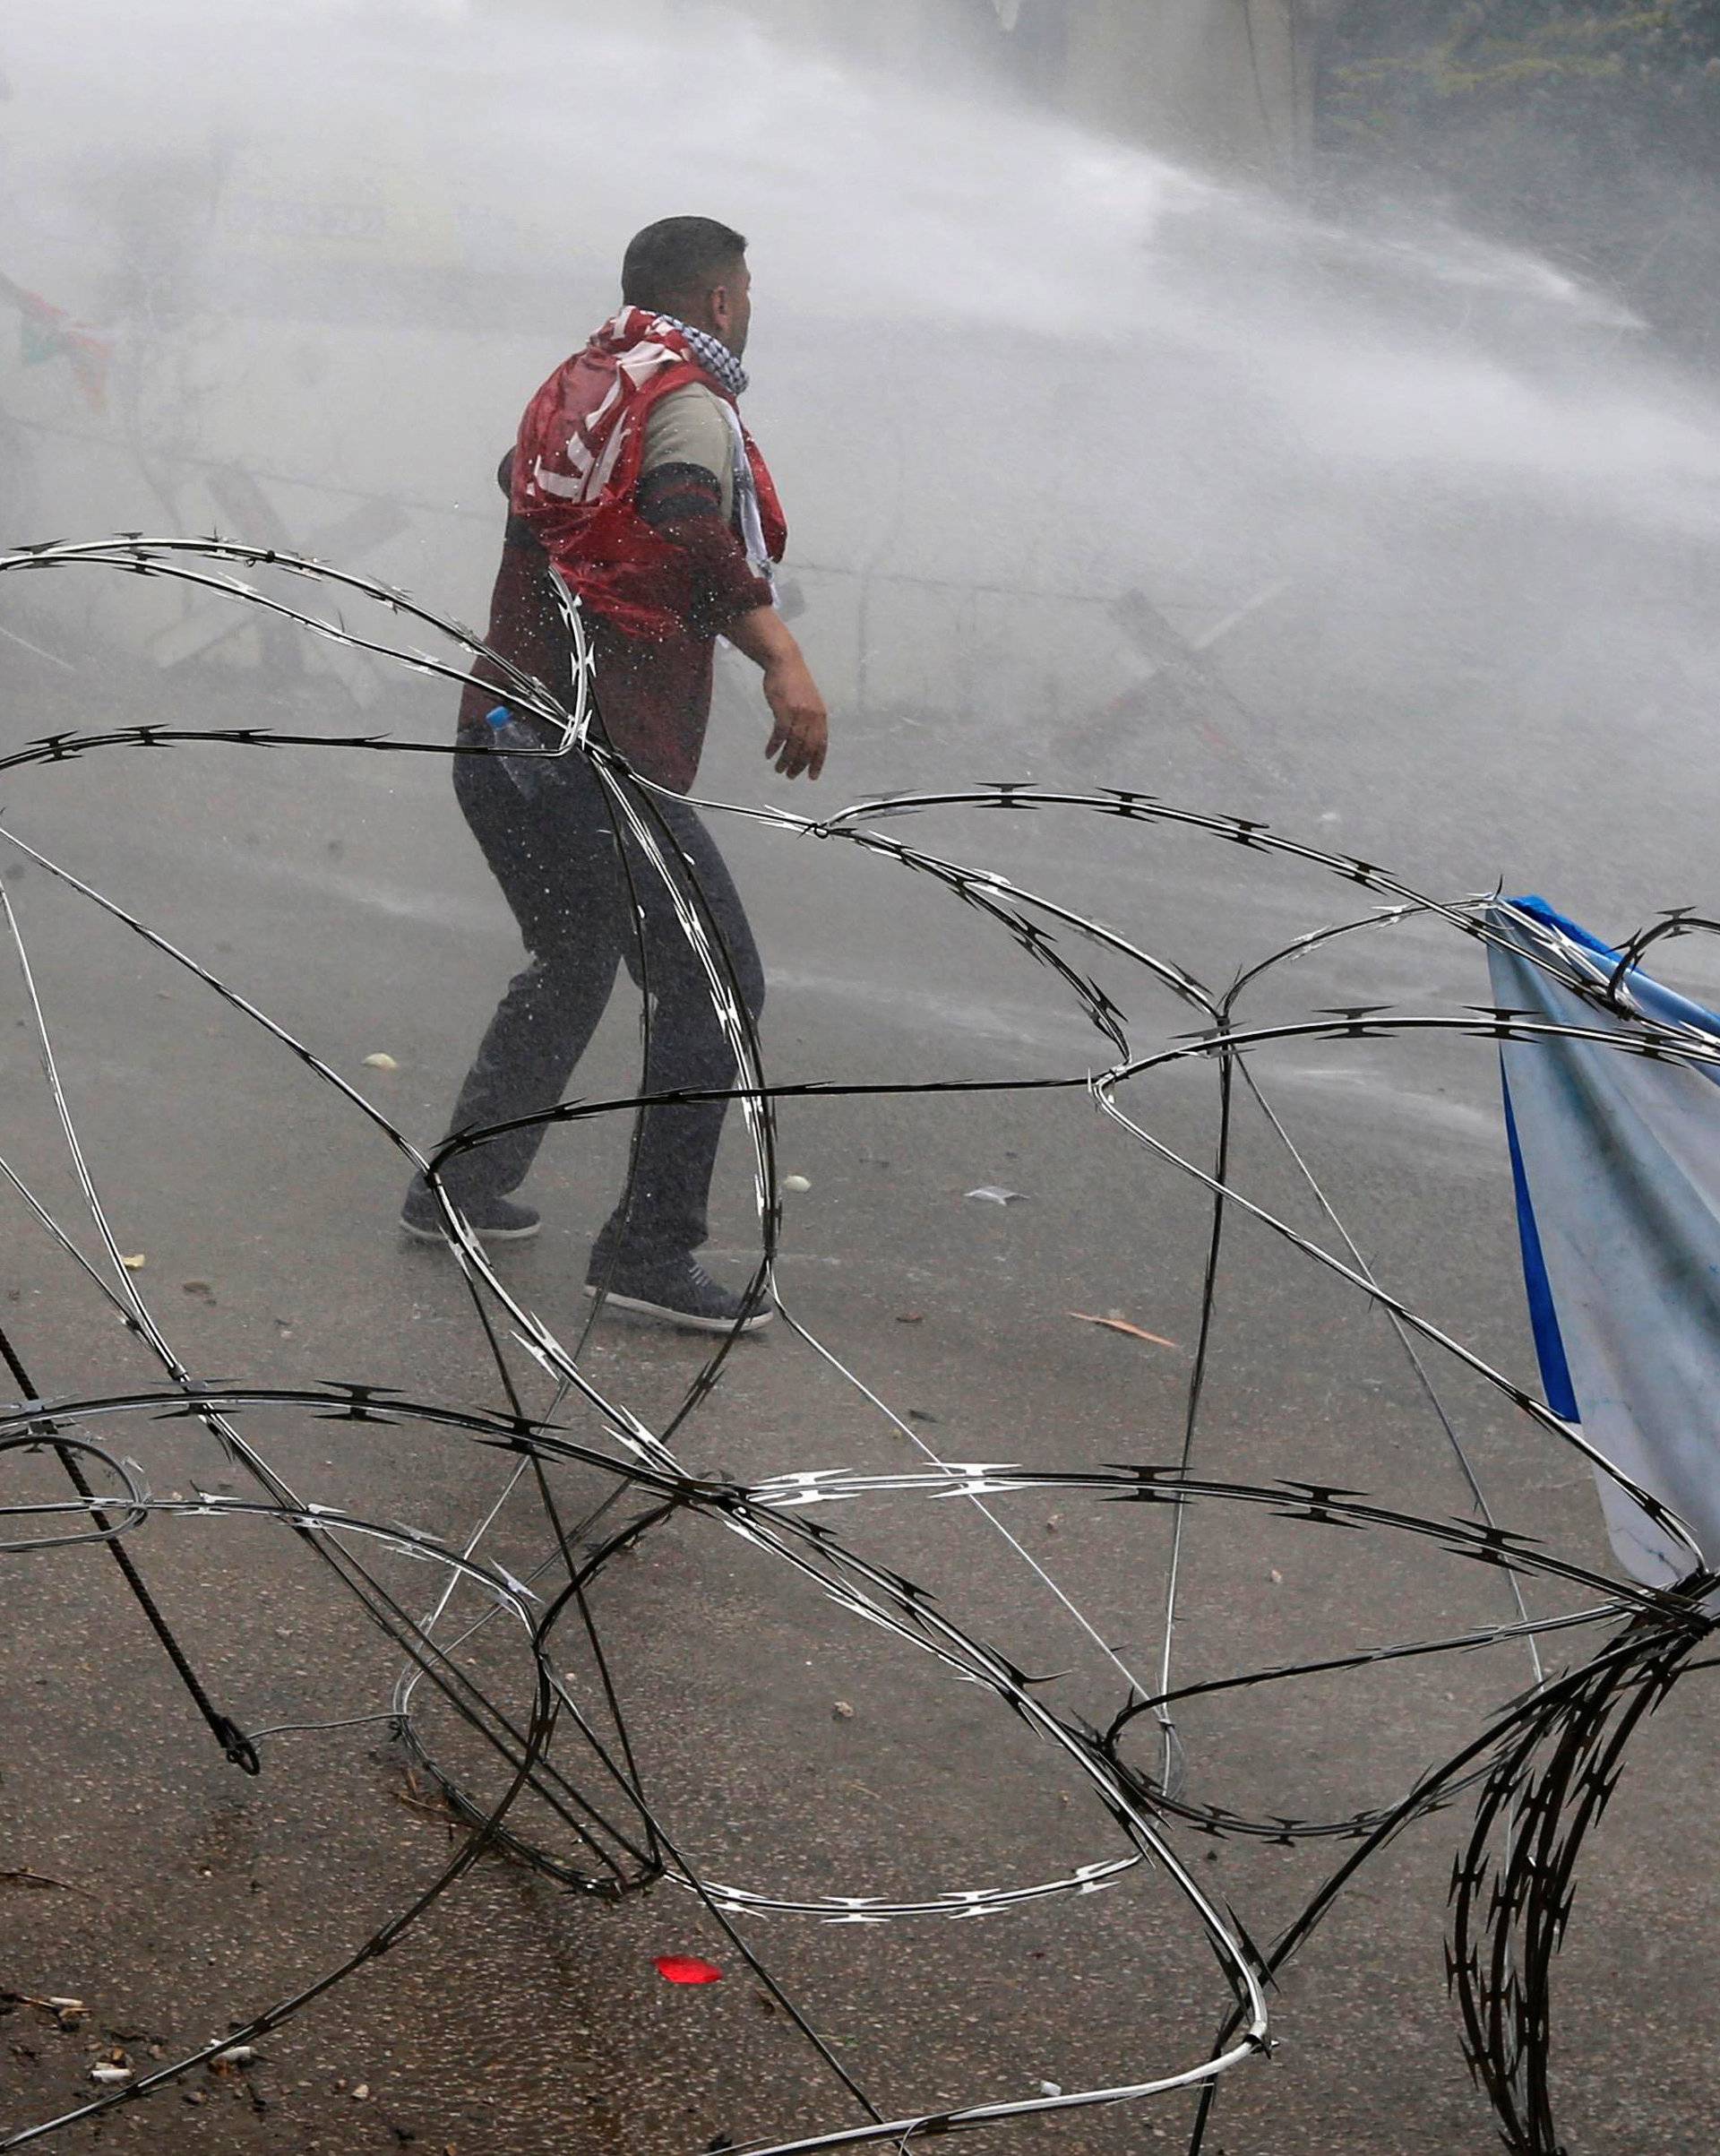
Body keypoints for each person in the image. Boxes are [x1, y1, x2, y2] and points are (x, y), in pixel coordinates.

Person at [402, 217, 829, 1333]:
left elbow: (521, 485)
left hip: (498, 731)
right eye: (749, 287)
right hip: (595, 752)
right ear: (722, 299)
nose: (752, 303)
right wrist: (782, 655)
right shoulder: (686, 402)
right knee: (716, 982)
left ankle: (462, 1189)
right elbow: (687, 530)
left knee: (577, 952)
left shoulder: (579, 383)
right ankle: (647, 1249)